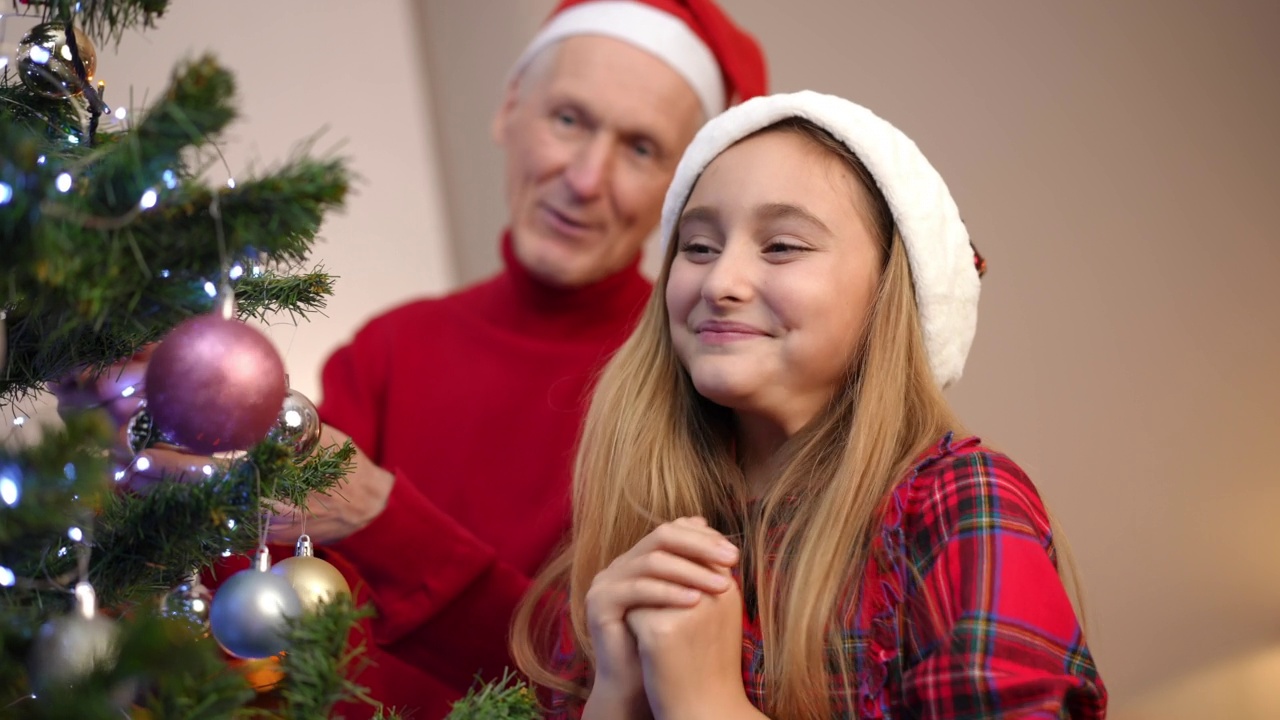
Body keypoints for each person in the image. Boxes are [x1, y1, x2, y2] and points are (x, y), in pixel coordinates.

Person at [53, 1, 768, 716]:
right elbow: (274, 613)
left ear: (681, 188)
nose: (585, 177)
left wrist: (381, 517)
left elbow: (624, 677)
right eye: (570, 119)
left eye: (641, 147)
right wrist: (160, 421)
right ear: (510, 110)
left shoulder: (697, 377)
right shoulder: (391, 350)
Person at [511, 90, 1107, 718]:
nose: (720, 283)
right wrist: (615, 697)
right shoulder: (636, 524)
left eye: (782, 246)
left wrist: (707, 703)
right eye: (698, 247)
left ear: (888, 293)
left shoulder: (957, 502)